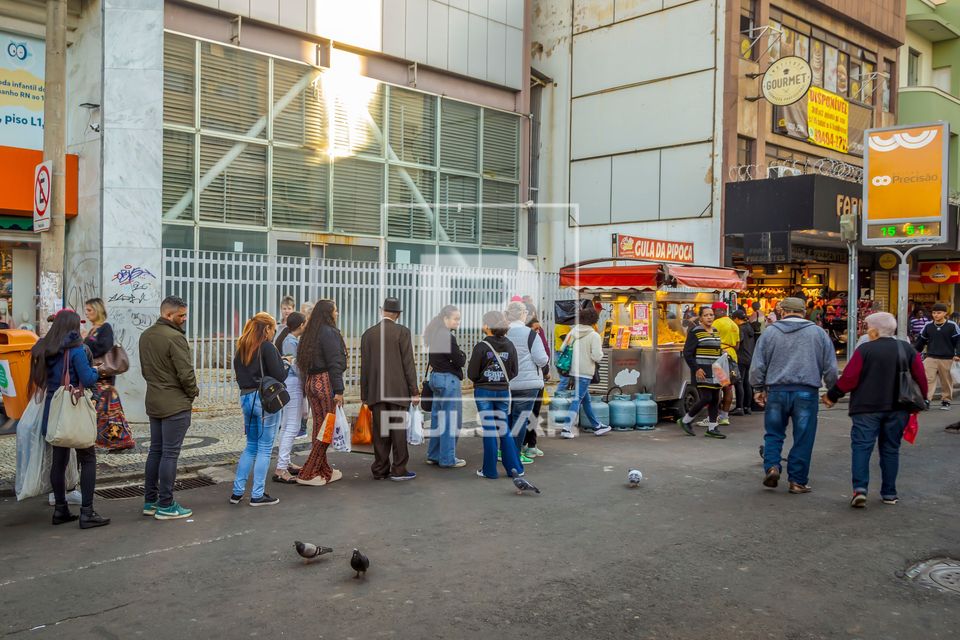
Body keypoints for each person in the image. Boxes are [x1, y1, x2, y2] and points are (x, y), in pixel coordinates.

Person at [823, 312, 927, 508]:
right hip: (898, 407)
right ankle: (889, 493)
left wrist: (833, 395)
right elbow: (920, 376)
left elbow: (849, 378)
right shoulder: (906, 348)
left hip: (866, 407)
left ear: (874, 330)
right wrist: (924, 399)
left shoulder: (865, 350)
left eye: (867, 327)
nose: (866, 330)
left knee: (862, 448)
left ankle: (860, 490)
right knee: (890, 449)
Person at [30, 309, 109, 529]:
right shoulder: (76, 350)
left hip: (53, 411)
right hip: (73, 410)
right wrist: (96, 371)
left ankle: (60, 509)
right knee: (88, 458)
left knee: (59, 461)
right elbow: (87, 378)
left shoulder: (46, 348)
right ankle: (87, 512)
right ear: (72, 326)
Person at [750, 297, 838, 494]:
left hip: (777, 391)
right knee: (804, 437)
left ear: (782, 312)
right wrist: (832, 390)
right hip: (806, 391)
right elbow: (831, 367)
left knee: (773, 433)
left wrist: (758, 388)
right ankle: (797, 481)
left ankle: (772, 466)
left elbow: (758, 365)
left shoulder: (770, 332)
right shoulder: (818, 333)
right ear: (804, 312)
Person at [140, 296, 199, 520]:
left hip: (154, 400)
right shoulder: (175, 338)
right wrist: (193, 393)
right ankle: (166, 504)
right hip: (175, 403)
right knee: (170, 454)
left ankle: (150, 501)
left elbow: (146, 370)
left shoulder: (146, 336)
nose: (184, 319)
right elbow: (186, 373)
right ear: (167, 314)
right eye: (181, 315)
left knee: (155, 450)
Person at [230, 313, 288, 506]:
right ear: (266, 329)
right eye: (273, 330)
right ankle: (257, 494)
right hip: (264, 401)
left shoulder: (242, 347)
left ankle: (237, 492)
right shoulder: (267, 347)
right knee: (264, 448)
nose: (273, 334)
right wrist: (286, 363)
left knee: (251, 446)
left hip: (246, 398)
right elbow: (280, 375)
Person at [360, 297, 420, 481]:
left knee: (380, 432)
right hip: (398, 391)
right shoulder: (402, 332)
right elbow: (408, 364)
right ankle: (399, 469)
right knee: (398, 431)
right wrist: (414, 391)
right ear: (398, 314)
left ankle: (380, 469)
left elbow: (365, 367)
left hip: (376, 392)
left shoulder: (368, 334)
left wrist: (364, 394)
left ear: (382, 311)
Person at [295, 299, 347, 486]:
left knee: (319, 426)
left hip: (311, 382)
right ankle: (308, 473)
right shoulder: (329, 332)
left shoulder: (310, 332)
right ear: (328, 313)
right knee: (327, 428)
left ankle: (323, 470)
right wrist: (339, 390)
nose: (337, 313)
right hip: (325, 383)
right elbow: (334, 362)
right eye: (335, 310)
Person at [468, 310, 523, 479]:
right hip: (503, 391)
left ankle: (490, 470)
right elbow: (514, 371)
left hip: (484, 391)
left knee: (490, 429)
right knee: (504, 428)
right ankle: (514, 468)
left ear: (487, 326)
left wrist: (484, 379)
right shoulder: (510, 345)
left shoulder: (481, 346)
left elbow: (472, 373)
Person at [84, 298, 134, 451]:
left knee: (110, 413)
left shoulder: (105, 328)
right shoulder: (93, 330)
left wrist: (87, 340)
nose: (86, 313)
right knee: (101, 413)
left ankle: (119, 441)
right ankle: (97, 440)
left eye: (89, 310)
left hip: (104, 379)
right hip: (96, 378)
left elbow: (103, 347)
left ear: (97, 310)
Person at [504, 301, 549, 464]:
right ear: (523, 315)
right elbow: (542, 359)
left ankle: (504, 452)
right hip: (528, 384)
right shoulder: (531, 334)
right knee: (521, 419)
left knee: (508, 419)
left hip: (507, 383)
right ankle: (514, 455)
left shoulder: (503, 333)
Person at [423, 305, 467, 468]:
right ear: (445, 318)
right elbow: (459, 360)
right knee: (451, 420)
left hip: (435, 378)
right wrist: (462, 354)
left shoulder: (435, 333)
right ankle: (448, 458)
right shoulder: (448, 336)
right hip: (448, 380)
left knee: (437, 418)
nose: (458, 322)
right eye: (455, 319)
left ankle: (434, 455)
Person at [560, 304, 610, 438]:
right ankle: (566, 428)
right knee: (577, 399)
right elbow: (597, 357)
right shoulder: (594, 336)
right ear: (594, 320)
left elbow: (562, 348)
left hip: (573, 371)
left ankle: (597, 426)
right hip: (585, 372)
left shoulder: (573, 332)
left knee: (585, 400)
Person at [678, 306, 725, 438]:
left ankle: (712, 428)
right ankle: (685, 420)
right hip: (701, 371)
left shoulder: (715, 331)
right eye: (706, 315)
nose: (709, 317)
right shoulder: (695, 331)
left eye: (711, 315)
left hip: (715, 370)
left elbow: (717, 350)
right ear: (700, 318)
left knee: (715, 398)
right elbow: (687, 353)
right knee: (706, 398)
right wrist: (696, 368)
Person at [272, 311, 306, 484]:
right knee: (292, 426)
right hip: (293, 384)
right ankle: (281, 468)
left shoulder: (288, 340)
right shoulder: (291, 342)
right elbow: (296, 367)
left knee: (286, 425)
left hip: (289, 384)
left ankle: (284, 462)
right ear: (301, 325)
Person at [913, 302, 960, 411]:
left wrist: (958, 354)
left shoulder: (952, 326)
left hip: (947, 358)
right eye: (934, 313)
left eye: (938, 313)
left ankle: (946, 400)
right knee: (927, 379)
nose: (935, 315)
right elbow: (921, 341)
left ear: (945, 313)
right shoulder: (928, 326)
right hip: (930, 357)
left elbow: (958, 341)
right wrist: (914, 353)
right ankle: (926, 400)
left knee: (946, 381)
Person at [523, 311, 550, 458]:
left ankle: (531, 445)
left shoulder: (537, 337)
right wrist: (545, 370)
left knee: (533, 414)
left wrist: (545, 371)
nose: (538, 331)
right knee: (527, 415)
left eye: (539, 329)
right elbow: (541, 359)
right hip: (530, 381)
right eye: (535, 329)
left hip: (537, 380)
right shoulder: (529, 339)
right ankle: (524, 445)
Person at [711, 302, 739, 426]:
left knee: (716, 387)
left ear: (721, 311)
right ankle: (724, 417)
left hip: (720, 357)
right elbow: (737, 345)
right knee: (728, 387)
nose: (712, 314)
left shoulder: (717, 323)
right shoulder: (734, 324)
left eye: (713, 311)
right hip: (732, 356)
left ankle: (712, 417)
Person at [732, 309, 756, 415]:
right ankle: (747, 407)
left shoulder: (740, 329)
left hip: (741, 358)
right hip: (750, 357)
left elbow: (737, 342)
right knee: (747, 382)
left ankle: (739, 408)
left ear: (737, 319)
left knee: (739, 382)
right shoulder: (749, 327)